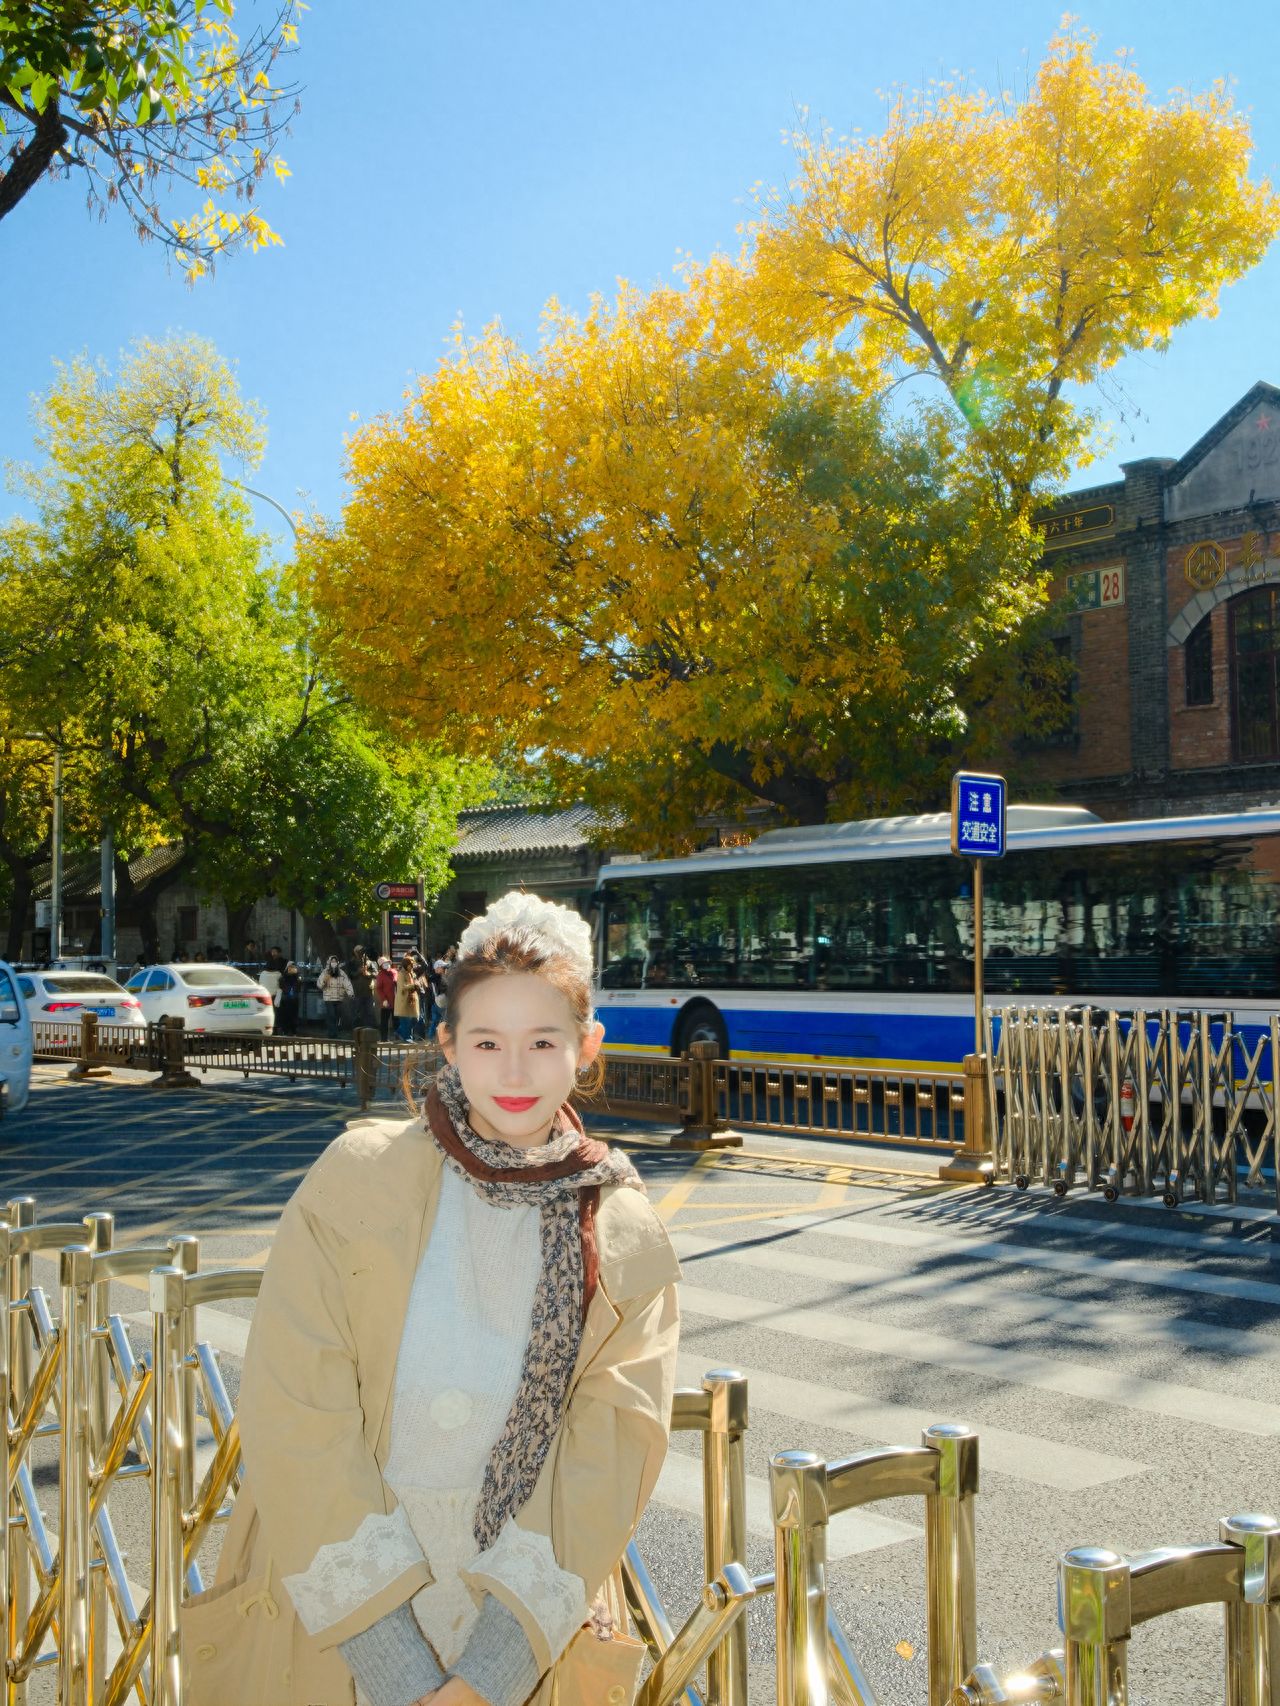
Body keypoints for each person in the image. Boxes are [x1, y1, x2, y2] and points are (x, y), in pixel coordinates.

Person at [181, 891, 679, 1706]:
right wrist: (402, 1674)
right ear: (446, 1044)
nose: (513, 1073)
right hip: (334, 1621)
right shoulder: (356, 1179)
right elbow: (293, 1410)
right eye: (486, 1041)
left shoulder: (621, 1231)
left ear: (587, 1049)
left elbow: (609, 1463)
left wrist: (486, 1680)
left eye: (543, 1042)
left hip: (524, 1634)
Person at [317, 955, 354, 1039]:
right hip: (329, 998)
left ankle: (335, 1032)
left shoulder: (341, 973)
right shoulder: (325, 972)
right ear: (329, 963)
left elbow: (347, 983)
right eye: (332, 961)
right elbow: (319, 984)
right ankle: (332, 1033)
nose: (334, 963)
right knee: (331, 1015)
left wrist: (350, 993)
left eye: (335, 961)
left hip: (339, 998)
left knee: (337, 1016)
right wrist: (325, 980)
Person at [393, 953, 419, 1042]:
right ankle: (407, 1037)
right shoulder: (401, 974)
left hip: (412, 1000)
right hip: (403, 1000)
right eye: (410, 965)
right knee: (405, 1020)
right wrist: (414, 986)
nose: (412, 966)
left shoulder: (412, 973)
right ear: (406, 965)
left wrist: (418, 984)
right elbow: (403, 986)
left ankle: (399, 1032)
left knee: (415, 1019)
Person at [349, 946, 377, 1032]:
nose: (361, 953)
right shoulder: (352, 962)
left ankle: (369, 1031)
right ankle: (356, 1031)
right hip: (357, 991)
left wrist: (368, 974)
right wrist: (358, 972)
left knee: (369, 1012)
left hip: (368, 991)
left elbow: (376, 973)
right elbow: (350, 975)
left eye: (362, 952)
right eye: (358, 952)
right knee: (356, 1012)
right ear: (355, 952)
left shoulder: (370, 963)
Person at [375, 955, 397, 1042]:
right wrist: (384, 999)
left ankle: (397, 1037)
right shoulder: (381, 975)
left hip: (396, 1000)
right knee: (384, 1021)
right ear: (381, 966)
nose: (386, 965)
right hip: (386, 1002)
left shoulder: (394, 972)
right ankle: (384, 1039)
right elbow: (379, 988)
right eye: (384, 964)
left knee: (397, 1021)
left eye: (387, 963)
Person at [277, 961, 302, 1035]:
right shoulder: (283, 977)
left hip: (294, 999)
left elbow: (299, 987)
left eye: (293, 967)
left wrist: (297, 976)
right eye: (290, 967)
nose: (291, 969)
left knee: (294, 1015)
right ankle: (285, 1030)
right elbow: (281, 985)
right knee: (285, 1015)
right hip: (286, 998)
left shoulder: (297, 977)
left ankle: (294, 1031)